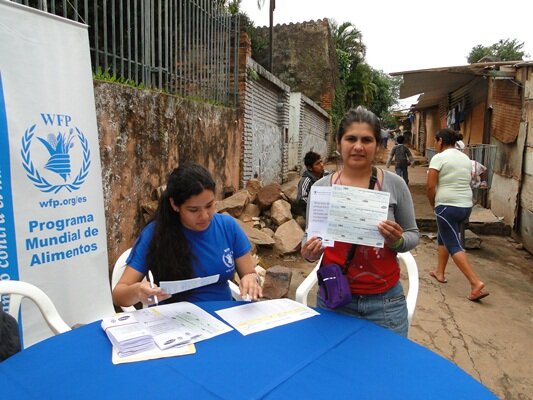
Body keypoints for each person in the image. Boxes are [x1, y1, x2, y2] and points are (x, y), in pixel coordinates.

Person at [301, 106, 419, 337]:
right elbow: (310, 237)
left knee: (384, 368)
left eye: (367, 139)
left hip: (385, 303)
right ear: (339, 143)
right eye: (351, 139)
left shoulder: (394, 185)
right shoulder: (321, 188)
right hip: (334, 297)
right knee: (333, 368)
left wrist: (397, 241)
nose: (358, 146)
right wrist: (309, 252)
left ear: (377, 145)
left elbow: (413, 235)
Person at [112, 164, 262, 307]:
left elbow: (249, 273)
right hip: (176, 322)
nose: (204, 216)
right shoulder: (155, 234)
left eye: (209, 205)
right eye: (193, 210)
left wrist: (251, 279)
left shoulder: (227, 227)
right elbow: (119, 295)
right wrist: (138, 291)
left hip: (224, 317)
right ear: (175, 205)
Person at [426, 128, 489, 302]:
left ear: (440, 141)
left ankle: (475, 283)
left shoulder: (438, 158)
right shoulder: (465, 158)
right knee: (444, 236)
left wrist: (433, 204)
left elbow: (430, 186)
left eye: (435, 141)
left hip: (447, 205)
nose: (434, 144)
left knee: (454, 244)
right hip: (465, 206)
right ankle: (440, 272)